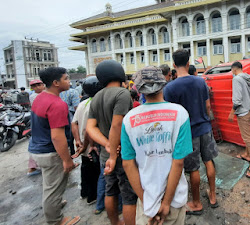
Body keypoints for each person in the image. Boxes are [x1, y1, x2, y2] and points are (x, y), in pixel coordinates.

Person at [122, 66, 192, 225]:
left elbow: (127, 164)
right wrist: (166, 203)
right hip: (174, 199)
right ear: (163, 83)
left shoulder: (129, 120)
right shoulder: (180, 114)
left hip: (147, 198)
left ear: (138, 89)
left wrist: (147, 202)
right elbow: (178, 161)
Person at [164, 49, 218, 215]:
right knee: (209, 161)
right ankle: (213, 195)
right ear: (188, 63)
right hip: (205, 128)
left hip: (188, 133)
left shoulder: (170, 88)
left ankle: (196, 202)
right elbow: (208, 106)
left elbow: (170, 116)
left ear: (174, 65)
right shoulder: (200, 81)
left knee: (193, 168)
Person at [86, 60, 137, 225]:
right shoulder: (122, 94)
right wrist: (114, 153)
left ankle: (115, 222)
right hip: (121, 154)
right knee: (129, 196)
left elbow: (90, 128)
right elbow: (117, 124)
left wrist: (107, 145)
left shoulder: (96, 97)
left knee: (111, 191)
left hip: (105, 155)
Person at [29, 67, 80, 225]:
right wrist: (67, 160)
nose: (69, 81)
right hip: (49, 152)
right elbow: (57, 137)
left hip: (37, 148)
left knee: (50, 184)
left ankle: (54, 204)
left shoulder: (40, 97)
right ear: (56, 83)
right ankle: (56, 220)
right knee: (53, 188)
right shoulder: (57, 104)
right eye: (66, 78)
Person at [71, 76, 103, 205]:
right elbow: (89, 130)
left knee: (85, 169)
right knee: (94, 172)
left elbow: (74, 123)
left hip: (82, 143)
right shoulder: (96, 105)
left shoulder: (82, 103)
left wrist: (77, 140)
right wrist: (86, 145)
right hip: (91, 144)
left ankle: (84, 193)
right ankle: (92, 197)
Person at [228, 61, 250, 178]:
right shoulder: (249, 78)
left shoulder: (236, 79)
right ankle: (246, 154)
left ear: (234, 70)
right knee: (248, 136)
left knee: (248, 139)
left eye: (232, 71)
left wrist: (231, 113)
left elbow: (237, 100)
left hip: (243, 113)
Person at [27, 79, 46, 176]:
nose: (37, 87)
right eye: (35, 86)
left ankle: (33, 167)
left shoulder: (40, 94)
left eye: (39, 85)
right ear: (32, 88)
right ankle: (33, 167)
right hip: (39, 120)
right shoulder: (34, 96)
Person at [60, 85, 80, 155]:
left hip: (57, 116)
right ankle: (71, 154)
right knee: (70, 137)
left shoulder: (53, 93)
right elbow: (76, 107)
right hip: (70, 115)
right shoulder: (73, 92)